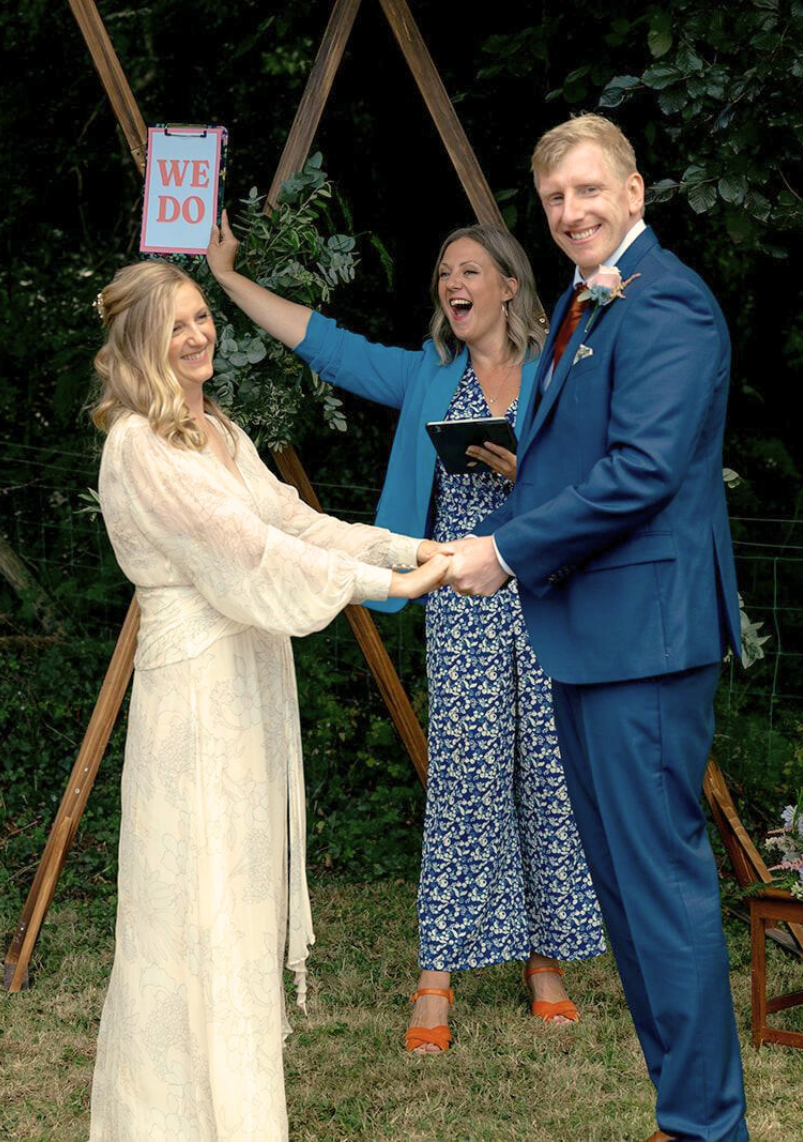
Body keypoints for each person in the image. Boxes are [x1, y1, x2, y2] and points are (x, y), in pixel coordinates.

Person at [206, 215, 605, 1055]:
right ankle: (436, 976)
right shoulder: (429, 374)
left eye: (469, 269)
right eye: (444, 272)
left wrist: (528, 472)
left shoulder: (560, 371)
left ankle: (544, 964)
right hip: (460, 593)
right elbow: (327, 346)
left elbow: (603, 478)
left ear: (507, 285)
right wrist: (230, 280)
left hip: (550, 594)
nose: (452, 282)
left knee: (548, 777)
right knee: (464, 777)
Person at [88, 259, 450, 1140]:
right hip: (195, 697)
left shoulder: (218, 429)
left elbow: (291, 522)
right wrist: (388, 586)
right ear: (139, 346)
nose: (198, 335)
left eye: (200, 316)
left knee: (240, 900)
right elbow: (246, 552)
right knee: (195, 901)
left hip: (246, 684)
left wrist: (405, 548)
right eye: (175, 326)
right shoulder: (139, 444)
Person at [447, 114, 748, 1141]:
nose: (570, 211)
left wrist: (506, 550)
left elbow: (642, 471)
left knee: (658, 886)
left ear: (632, 191)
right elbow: (577, 458)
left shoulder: (665, 301)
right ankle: (683, 1114)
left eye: (587, 190)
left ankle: (706, 1127)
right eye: (553, 198)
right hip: (588, 634)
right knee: (624, 890)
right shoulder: (586, 299)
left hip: (644, 639)